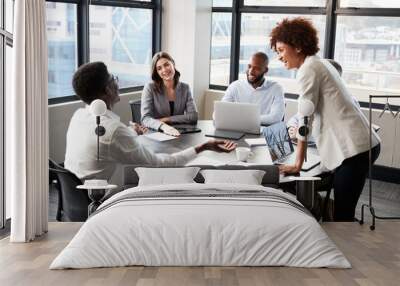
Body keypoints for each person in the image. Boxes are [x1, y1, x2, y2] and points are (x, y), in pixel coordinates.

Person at [270, 17, 381, 221]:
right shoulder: (319, 63)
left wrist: (297, 163)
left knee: (343, 215)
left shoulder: (309, 68)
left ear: (298, 46)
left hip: (355, 149)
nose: (279, 57)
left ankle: (344, 249)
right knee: (342, 210)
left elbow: (305, 117)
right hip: (361, 145)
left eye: (281, 50)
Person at [64, 61, 236, 185]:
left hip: (79, 193)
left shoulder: (78, 116)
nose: (117, 82)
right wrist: (202, 147)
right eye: (113, 78)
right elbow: (160, 166)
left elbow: (110, 140)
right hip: (104, 198)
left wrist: (132, 132)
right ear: (107, 89)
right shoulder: (114, 131)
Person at [141, 52, 198, 137]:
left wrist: (167, 119)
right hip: (157, 134)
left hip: (179, 134)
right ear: (157, 73)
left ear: (173, 64)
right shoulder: (150, 88)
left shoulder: (185, 88)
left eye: (166, 65)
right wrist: (163, 126)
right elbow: (145, 119)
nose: (164, 70)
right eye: (159, 68)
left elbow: (193, 116)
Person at [287, 59, 345, 141]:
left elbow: (334, 136)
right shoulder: (315, 96)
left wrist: (300, 133)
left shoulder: (342, 103)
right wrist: (292, 128)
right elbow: (295, 118)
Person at [221, 52, 285, 126]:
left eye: (256, 68)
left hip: (263, 132)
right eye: (249, 66)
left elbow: (276, 118)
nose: (251, 71)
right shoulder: (235, 86)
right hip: (236, 129)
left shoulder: (276, 88)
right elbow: (219, 113)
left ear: (265, 70)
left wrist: (242, 119)